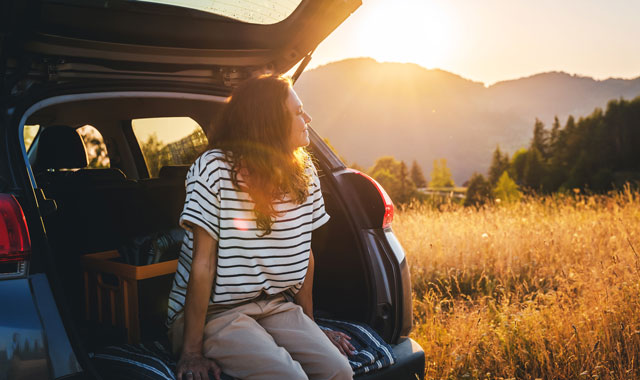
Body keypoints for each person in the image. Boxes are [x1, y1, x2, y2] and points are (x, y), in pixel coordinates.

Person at [166, 75, 355, 380]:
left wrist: (312, 326)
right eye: (297, 112)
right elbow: (203, 264)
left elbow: (304, 254)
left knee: (338, 371)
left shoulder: (305, 170)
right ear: (270, 122)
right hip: (216, 314)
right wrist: (191, 352)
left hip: (275, 305)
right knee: (290, 377)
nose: (307, 118)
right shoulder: (213, 168)